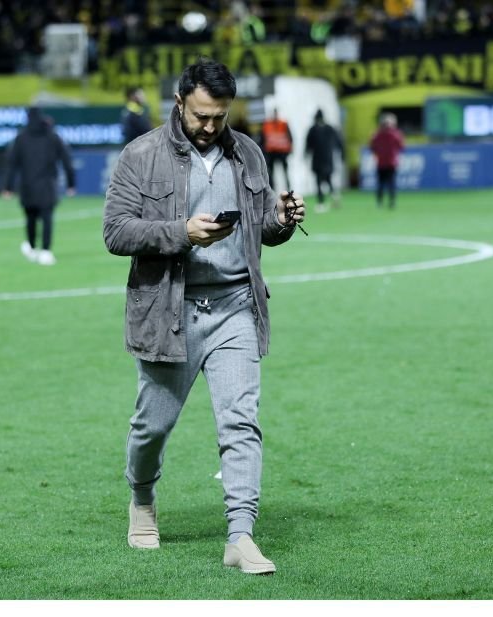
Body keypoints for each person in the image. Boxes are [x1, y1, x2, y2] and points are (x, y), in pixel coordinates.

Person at [103, 58, 306, 575]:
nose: (210, 126)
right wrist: (181, 232)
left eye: (219, 116)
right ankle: (142, 499)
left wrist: (281, 219)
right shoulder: (140, 154)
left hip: (237, 306)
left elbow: (261, 226)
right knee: (151, 427)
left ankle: (240, 535)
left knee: (241, 422)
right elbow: (116, 232)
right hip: (169, 312)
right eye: (200, 116)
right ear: (179, 102)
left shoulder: (248, 153)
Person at [3, 107, 76, 266]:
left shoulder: (21, 138)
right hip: (47, 186)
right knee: (47, 219)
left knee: (30, 219)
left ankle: (32, 247)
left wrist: (8, 187)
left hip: (27, 186)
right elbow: (67, 161)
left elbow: (12, 164)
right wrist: (71, 184)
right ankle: (46, 251)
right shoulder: (52, 136)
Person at [304, 109, 344, 213]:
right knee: (325, 179)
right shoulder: (328, 128)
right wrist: (341, 153)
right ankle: (332, 197)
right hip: (325, 159)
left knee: (321, 181)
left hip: (321, 159)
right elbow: (339, 142)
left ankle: (322, 202)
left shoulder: (315, 129)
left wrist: (306, 154)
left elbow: (308, 145)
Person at [369, 112, 404, 209]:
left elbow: (372, 147)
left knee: (381, 183)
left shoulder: (377, 134)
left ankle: (379, 202)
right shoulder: (395, 134)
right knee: (391, 183)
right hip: (391, 162)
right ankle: (392, 202)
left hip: (381, 162)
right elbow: (401, 146)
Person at [261, 108, 292, 189]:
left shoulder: (283, 124)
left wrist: (289, 151)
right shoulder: (267, 124)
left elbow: (290, 137)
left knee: (285, 171)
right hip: (271, 152)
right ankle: (272, 188)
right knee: (271, 172)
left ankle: (288, 187)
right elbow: (263, 139)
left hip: (282, 152)